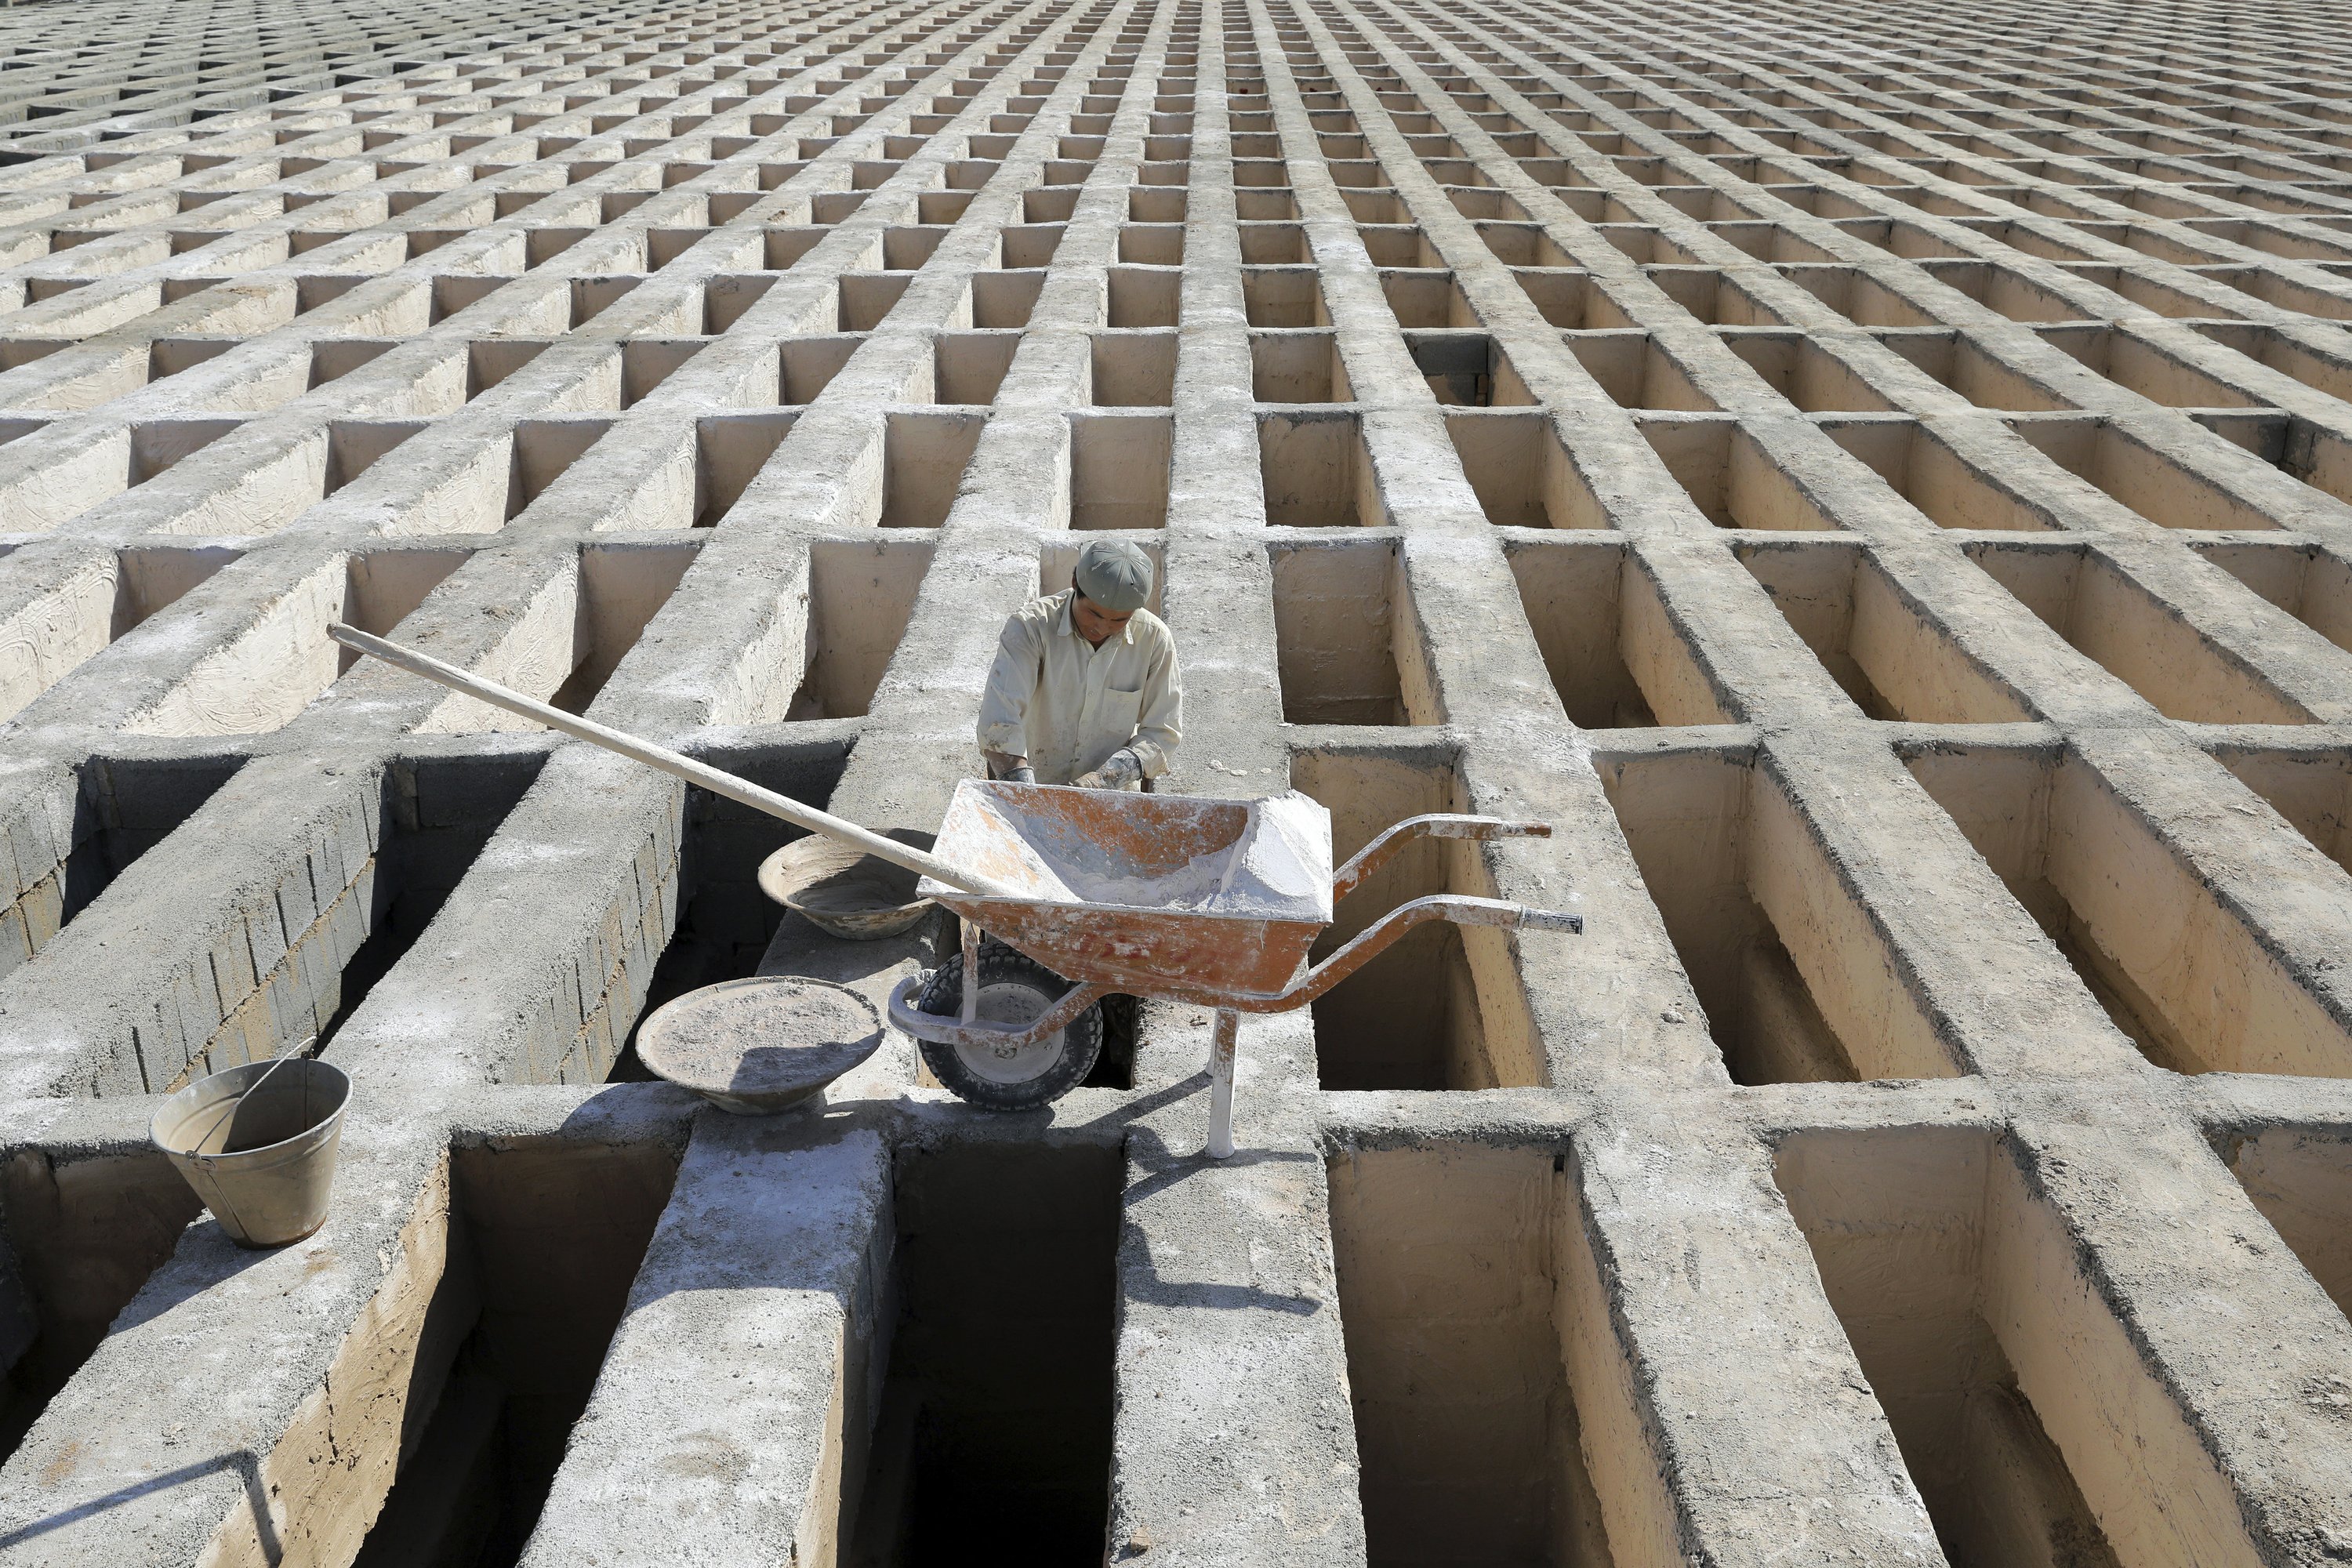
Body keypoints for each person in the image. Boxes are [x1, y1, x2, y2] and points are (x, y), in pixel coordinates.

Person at [976, 538, 1181, 789]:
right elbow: (1000, 719)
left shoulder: (1154, 639)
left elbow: (1163, 731)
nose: (1101, 627)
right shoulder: (1030, 628)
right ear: (1075, 584)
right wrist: (1026, 796)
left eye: (1119, 620)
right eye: (1094, 614)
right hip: (1036, 784)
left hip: (1110, 797)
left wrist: (1103, 780)